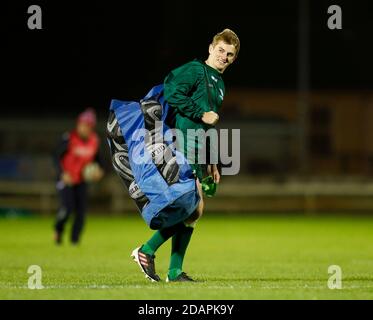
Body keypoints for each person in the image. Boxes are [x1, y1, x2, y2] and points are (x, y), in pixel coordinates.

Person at [131, 29, 240, 282]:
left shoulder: (219, 84)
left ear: (234, 59)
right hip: (181, 142)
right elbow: (171, 90)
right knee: (192, 208)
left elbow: (207, 126)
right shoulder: (195, 70)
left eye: (230, 54)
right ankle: (147, 251)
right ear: (211, 48)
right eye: (221, 50)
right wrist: (201, 114)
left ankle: (172, 270)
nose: (224, 56)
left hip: (197, 147)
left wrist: (212, 160)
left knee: (194, 211)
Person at [53, 108, 104, 245]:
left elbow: (100, 161)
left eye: (88, 126)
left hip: (82, 180)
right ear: (78, 124)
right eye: (83, 124)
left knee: (81, 213)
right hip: (67, 179)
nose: (85, 128)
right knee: (67, 209)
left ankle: (74, 241)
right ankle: (58, 230)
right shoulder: (69, 138)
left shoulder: (94, 141)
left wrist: (99, 171)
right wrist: (62, 174)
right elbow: (56, 157)